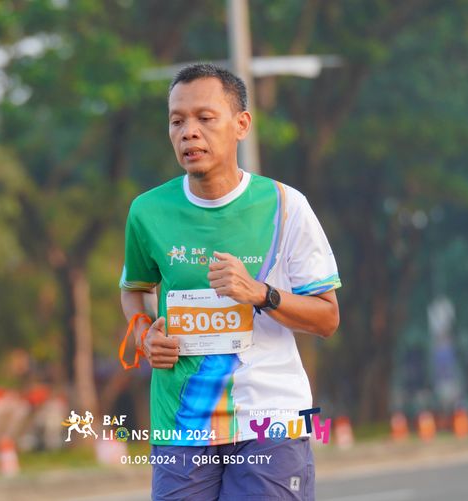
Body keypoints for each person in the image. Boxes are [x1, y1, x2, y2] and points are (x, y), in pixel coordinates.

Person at [119, 63, 341, 501]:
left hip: (269, 418)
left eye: (205, 118)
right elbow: (135, 289)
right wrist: (145, 336)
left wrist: (260, 293)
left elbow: (327, 318)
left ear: (241, 125)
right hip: (182, 420)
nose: (189, 132)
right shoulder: (147, 211)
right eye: (177, 121)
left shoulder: (285, 206)